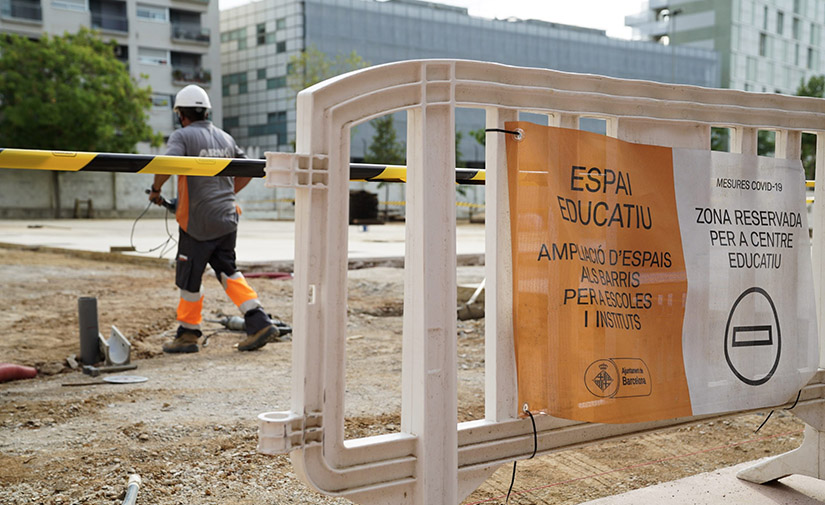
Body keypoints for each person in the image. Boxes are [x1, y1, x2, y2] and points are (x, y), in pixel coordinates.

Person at [149, 84, 282, 353]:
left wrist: (156, 190)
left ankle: (188, 334)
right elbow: (251, 169)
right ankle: (258, 320)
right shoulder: (225, 138)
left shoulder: (182, 136)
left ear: (181, 114)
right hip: (227, 217)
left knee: (189, 276)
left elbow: (166, 164)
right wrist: (226, 192)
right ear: (207, 112)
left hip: (197, 222)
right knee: (227, 271)